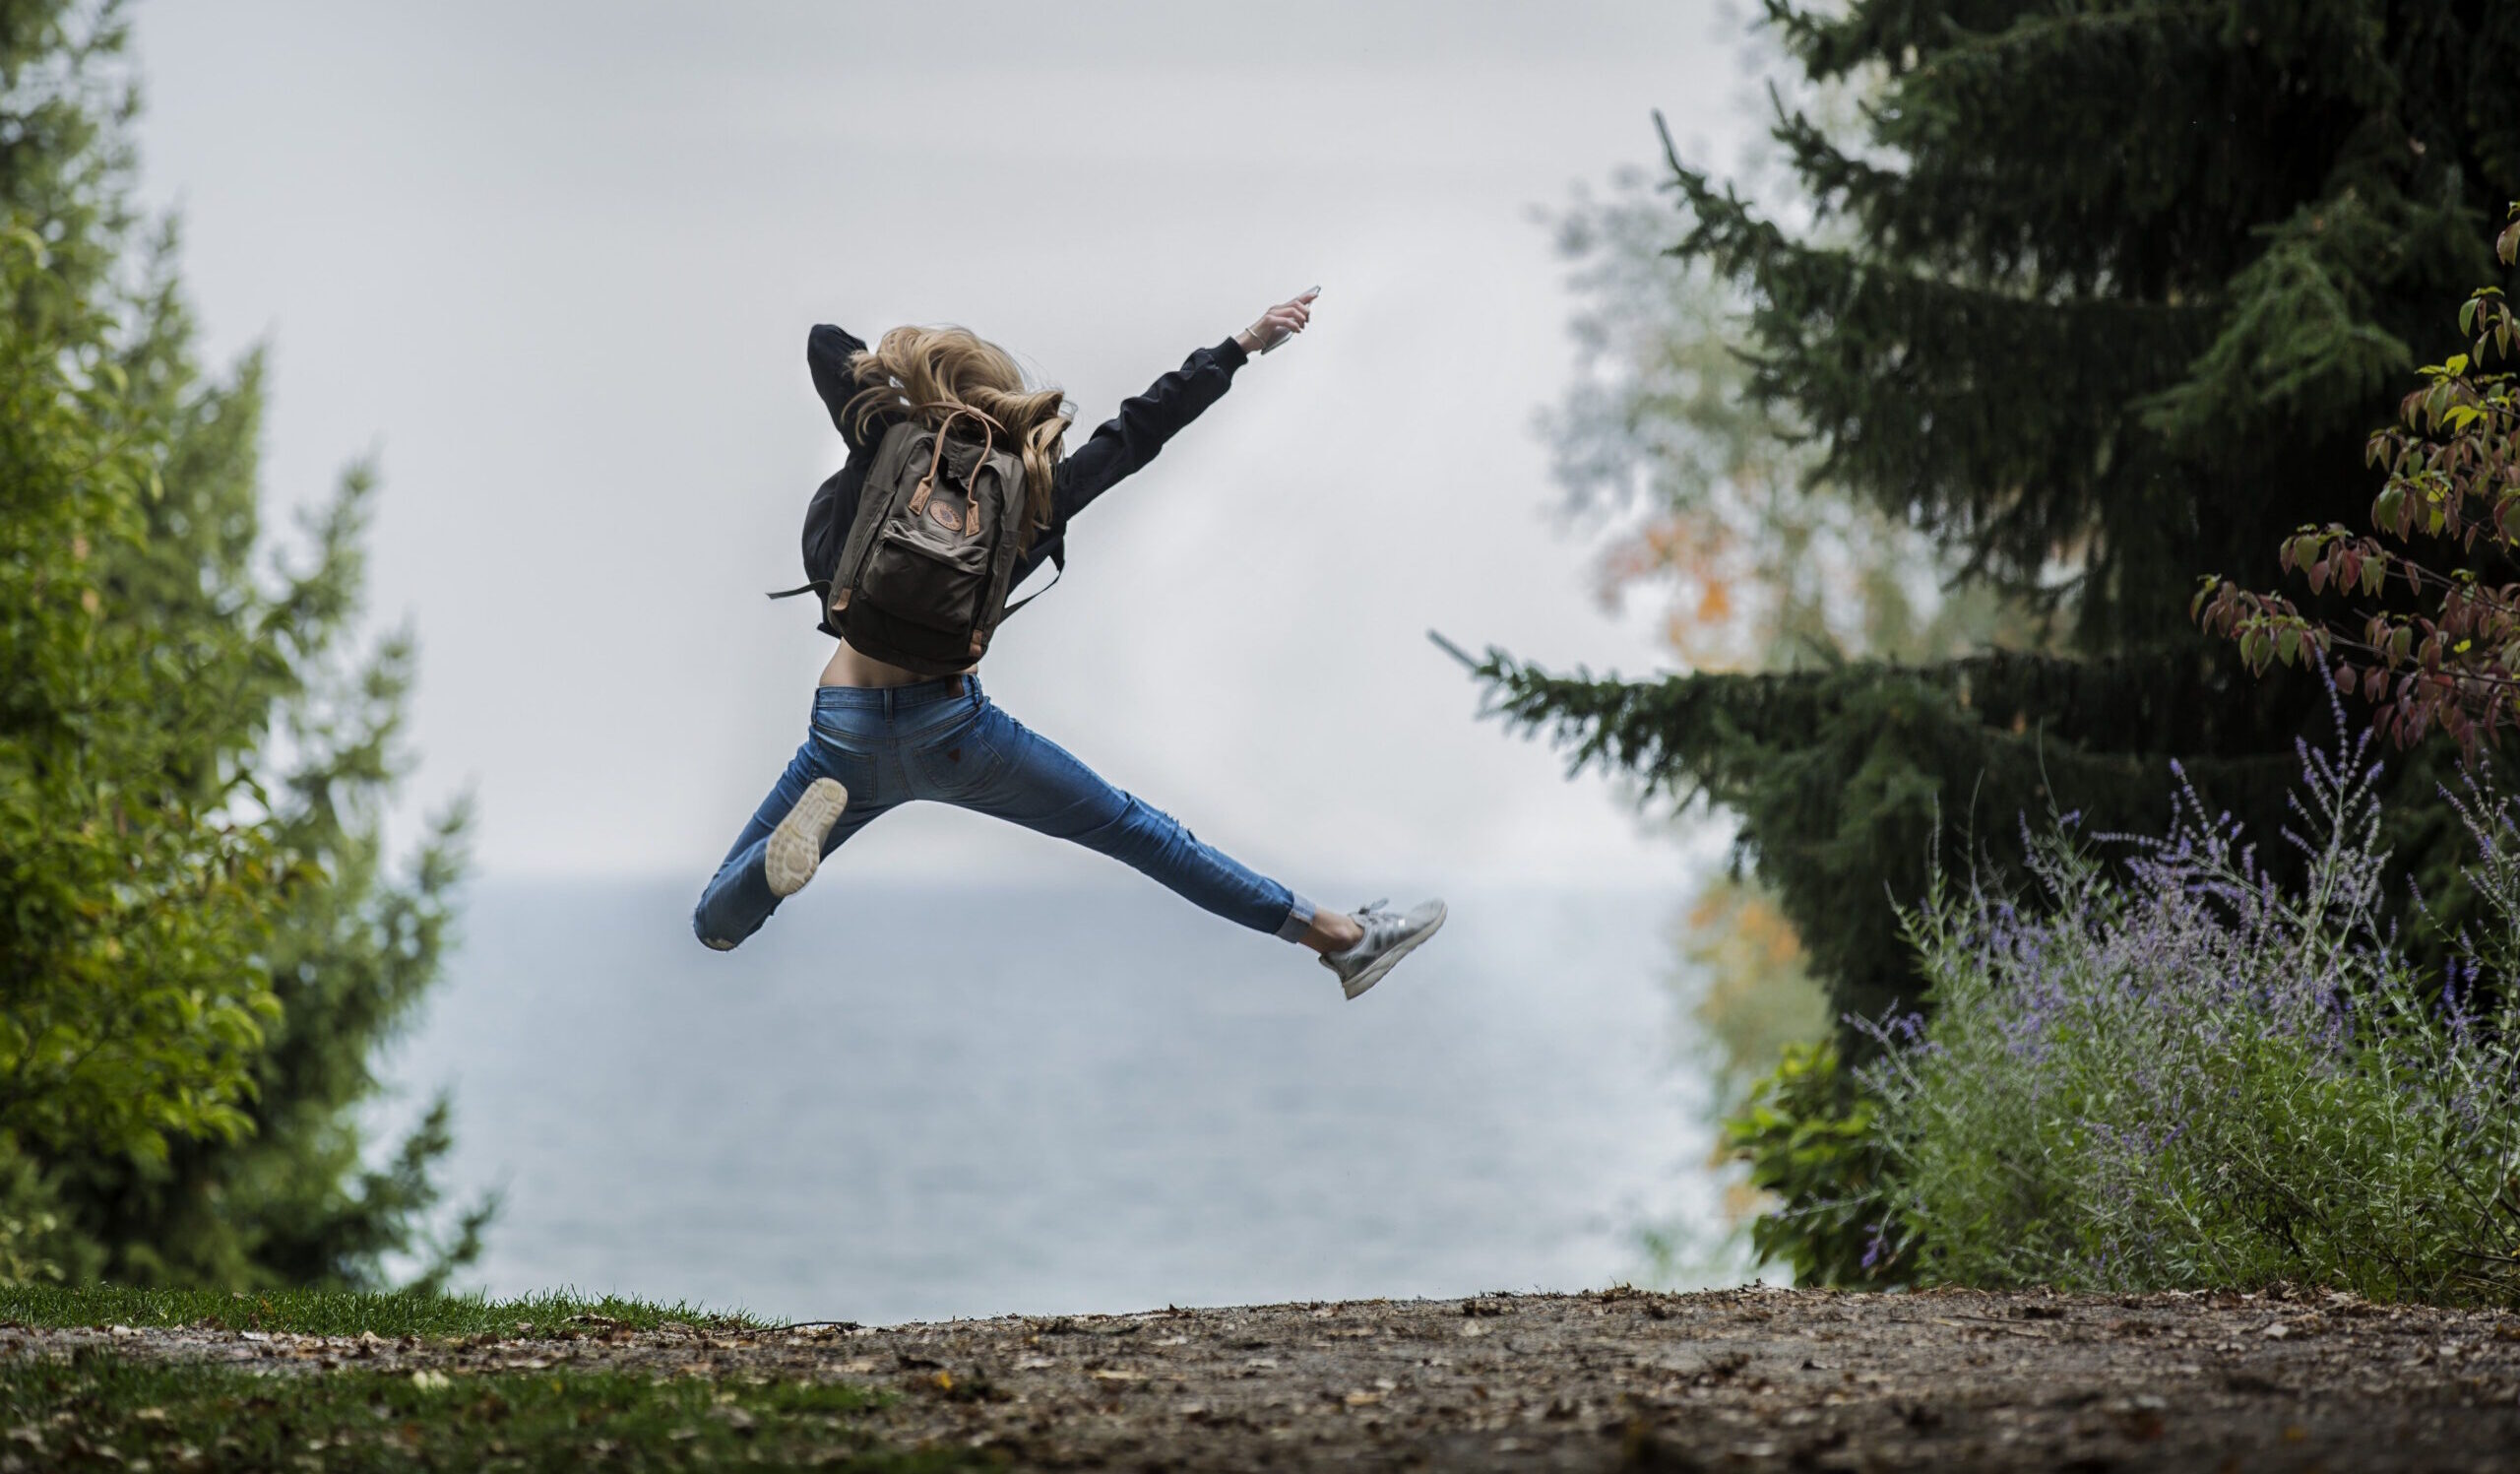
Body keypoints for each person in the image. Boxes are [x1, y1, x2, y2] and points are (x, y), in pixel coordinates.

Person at [691, 290, 1446, 999]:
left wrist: (910, 390)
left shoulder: (886, 443)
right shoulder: (1030, 491)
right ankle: (1338, 938)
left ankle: (770, 868)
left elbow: (828, 344)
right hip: (954, 731)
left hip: (845, 729)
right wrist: (1242, 345)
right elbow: (1137, 434)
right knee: (1140, 833)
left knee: (715, 923)